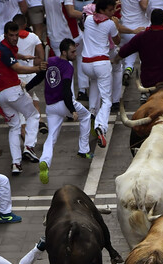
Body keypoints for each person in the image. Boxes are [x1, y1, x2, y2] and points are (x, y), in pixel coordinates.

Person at [0, 21, 47, 175]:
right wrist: (37, 68)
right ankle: (29, 147)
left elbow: (13, 55)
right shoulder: (4, 49)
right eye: (11, 35)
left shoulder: (3, 47)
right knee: (34, 114)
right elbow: (16, 67)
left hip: (0, 94)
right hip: (12, 91)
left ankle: (16, 163)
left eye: (16, 35)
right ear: (5, 35)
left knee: (15, 126)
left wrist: (23, 56)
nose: (15, 38)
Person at [40, 38, 94, 184]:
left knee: (51, 137)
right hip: (64, 103)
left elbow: (40, 76)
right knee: (86, 115)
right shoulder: (68, 67)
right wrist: (72, 110)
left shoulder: (50, 61)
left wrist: (26, 87)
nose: (75, 54)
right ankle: (83, 150)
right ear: (64, 52)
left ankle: (44, 161)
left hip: (50, 107)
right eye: (72, 52)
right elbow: (65, 91)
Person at [80, 0, 121, 148]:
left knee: (94, 84)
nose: (112, 13)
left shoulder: (88, 19)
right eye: (110, 10)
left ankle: (92, 112)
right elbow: (117, 40)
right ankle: (101, 126)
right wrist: (115, 25)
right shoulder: (110, 24)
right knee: (107, 100)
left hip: (86, 64)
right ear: (102, 10)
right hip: (101, 63)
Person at [116, 9, 163, 88]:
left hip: (148, 81)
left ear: (151, 20)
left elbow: (124, 52)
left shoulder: (141, 37)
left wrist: (114, 60)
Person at [119, 0, 149, 85]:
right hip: (141, 28)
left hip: (126, 28)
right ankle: (144, 84)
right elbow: (144, 6)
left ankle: (128, 69)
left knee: (129, 56)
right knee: (145, 59)